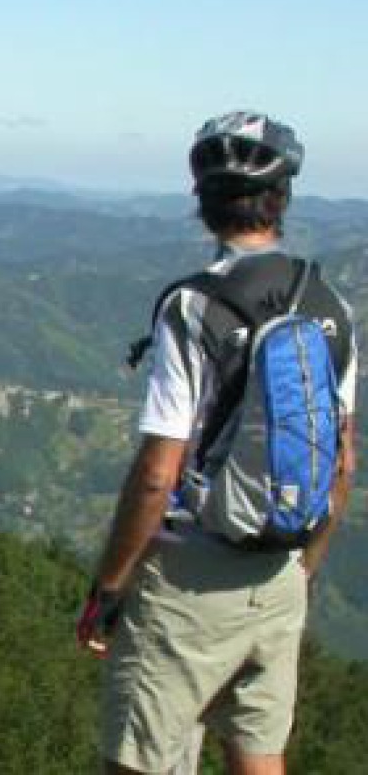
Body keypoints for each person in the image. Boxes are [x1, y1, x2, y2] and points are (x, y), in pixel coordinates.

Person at [76, 112, 358, 775]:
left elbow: (156, 472)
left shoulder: (193, 307)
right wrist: (303, 572)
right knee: (258, 756)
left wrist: (108, 589)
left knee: (137, 761)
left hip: (190, 581)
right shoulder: (330, 307)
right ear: (281, 199)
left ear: (202, 206)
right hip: (280, 575)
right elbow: (341, 465)